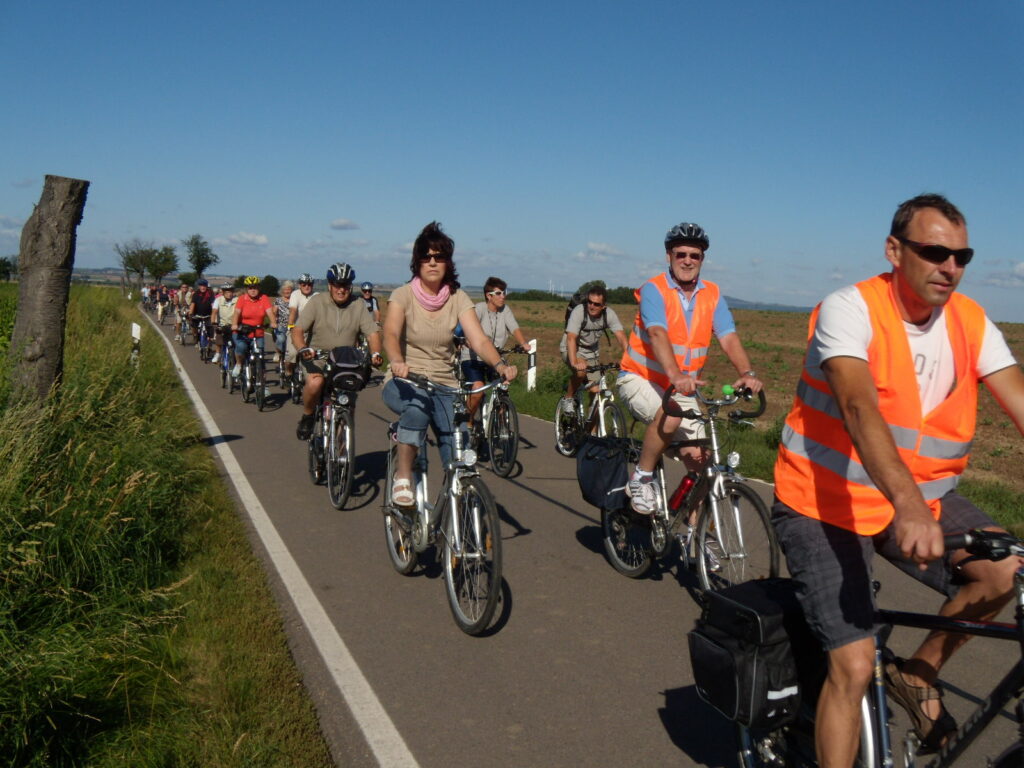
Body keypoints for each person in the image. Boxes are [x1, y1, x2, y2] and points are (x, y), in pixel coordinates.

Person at [772, 194, 1024, 767]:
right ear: (894, 250)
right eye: (935, 251)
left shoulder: (971, 321)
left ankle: (919, 672)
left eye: (962, 256)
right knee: (855, 666)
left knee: (1006, 571)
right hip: (823, 502)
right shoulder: (850, 308)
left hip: (919, 499)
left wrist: (914, 503)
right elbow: (859, 408)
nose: (950, 267)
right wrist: (908, 503)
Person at [617, 222, 761, 514]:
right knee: (670, 416)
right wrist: (676, 375)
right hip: (639, 377)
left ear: (702, 259)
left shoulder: (713, 294)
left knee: (703, 462)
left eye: (694, 255)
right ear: (668, 255)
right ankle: (641, 478)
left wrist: (748, 373)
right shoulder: (654, 290)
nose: (687, 260)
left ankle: (693, 535)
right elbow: (657, 333)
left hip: (680, 386)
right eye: (680, 254)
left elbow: (728, 337)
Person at [382, 222, 517, 507]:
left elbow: (478, 340)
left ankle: (460, 516)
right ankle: (403, 476)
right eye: (426, 256)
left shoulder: (457, 298)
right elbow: (391, 333)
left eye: (439, 257)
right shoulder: (402, 295)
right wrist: (396, 361)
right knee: (417, 412)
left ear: (448, 263)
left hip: (445, 384)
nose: (432, 262)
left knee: (460, 449)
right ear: (417, 262)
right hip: (406, 380)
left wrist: (500, 365)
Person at [293, 263, 383, 440]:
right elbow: (298, 330)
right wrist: (303, 348)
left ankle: (342, 452)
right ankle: (308, 416)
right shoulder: (317, 302)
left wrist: (376, 353)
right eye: (337, 285)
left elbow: (372, 333)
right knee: (315, 383)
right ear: (329, 285)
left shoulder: (358, 305)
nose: (341, 290)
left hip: (345, 360)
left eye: (345, 285)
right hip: (318, 358)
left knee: (349, 403)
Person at [460, 276, 529, 430]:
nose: (503, 296)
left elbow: (514, 328)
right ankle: (468, 420)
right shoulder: (478, 309)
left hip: (495, 358)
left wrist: (523, 343)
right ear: (488, 296)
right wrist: (468, 341)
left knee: (504, 384)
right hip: (474, 357)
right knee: (478, 389)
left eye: (504, 292)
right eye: (499, 293)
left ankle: (502, 419)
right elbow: (469, 328)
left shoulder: (505, 310)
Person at [560, 285, 628, 410]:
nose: (591, 306)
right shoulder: (579, 311)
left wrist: (629, 360)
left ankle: (593, 429)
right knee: (580, 372)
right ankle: (568, 398)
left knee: (596, 392)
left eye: (596, 304)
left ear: (604, 306)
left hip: (591, 351)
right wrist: (575, 361)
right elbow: (571, 338)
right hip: (572, 347)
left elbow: (621, 337)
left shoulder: (609, 315)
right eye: (589, 302)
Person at [231, 275, 277, 381]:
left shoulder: (263, 298)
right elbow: (236, 313)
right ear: (247, 289)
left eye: (255, 287)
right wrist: (234, 324)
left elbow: (269, 312)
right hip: (242, 332)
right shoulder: (242, 299)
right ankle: (238, 364)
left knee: (260, 358)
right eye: (250, 288)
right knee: (241, 347)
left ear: (259, 288)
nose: (253, 290)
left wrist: (273, 322)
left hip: (258, 333)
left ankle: (262, 385)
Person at [286, 273, 317, 382]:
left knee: (315, 356)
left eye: (309, 284)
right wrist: (291, 325)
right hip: (296, 329)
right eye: (304, 284)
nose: (307, 286)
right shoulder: (295, 294)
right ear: (300, 285)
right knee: (292, 354)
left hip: (312, 331)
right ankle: (288, 372)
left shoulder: (316, 296)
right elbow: (293, 311)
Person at [211, 283, 237, 366]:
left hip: (234, 324)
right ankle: (218, 353)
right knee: (219, 339)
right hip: (222, 324)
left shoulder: (237, 300)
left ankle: (236, 358)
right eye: (227, 292)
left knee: (237, 342)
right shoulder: (218, 300)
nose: (229, 293)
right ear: (223, 292)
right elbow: (214, 312)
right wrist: (213, 322)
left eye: (231, 291)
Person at [274, 281, 293, 367]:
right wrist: (274, 319)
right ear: (282, 291)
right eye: (285, 289)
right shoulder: (278, 300)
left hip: (292, 325)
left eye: (289, 289)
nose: (287, 291)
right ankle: (278, 352)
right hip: (281, 324)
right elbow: (274, 311)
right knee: (281, 340)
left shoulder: (294, 300)